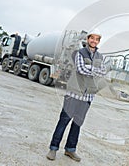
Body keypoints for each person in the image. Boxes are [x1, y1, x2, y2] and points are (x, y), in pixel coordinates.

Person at [46, 28, 106, 162]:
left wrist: (91, 69)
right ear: (88, 39)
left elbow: (103, 72)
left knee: (77, 124)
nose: (94, 41)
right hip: (74, 93)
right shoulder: (79, 53)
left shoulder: (100, 57)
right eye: (92, 38)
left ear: (98, 41)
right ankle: (53, 148)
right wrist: (94, 70)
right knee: (63, 121)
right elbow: (80, 68)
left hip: (88, 96)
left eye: (97, 39)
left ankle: (70, 149)